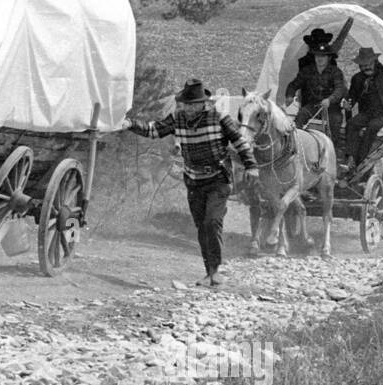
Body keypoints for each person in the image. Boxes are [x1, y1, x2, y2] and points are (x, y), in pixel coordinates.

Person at [129, 78, 258, 287]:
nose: (188, 108)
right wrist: (130, 124)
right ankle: (208, 271)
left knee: (212, 221)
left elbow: (239, 142)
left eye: (192, 104)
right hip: (193, 180)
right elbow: (154, 130)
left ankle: (216, 271)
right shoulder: (177, 118)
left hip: (218, 178)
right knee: (201, 226)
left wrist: (251, 166)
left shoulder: (219, 118)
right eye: (186, 104)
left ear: (203, 104)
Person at [285, 29, 346, 147]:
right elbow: (294, 84)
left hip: (331, 107)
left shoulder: (336, 72)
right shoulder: (307, 71)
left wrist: (330, 99)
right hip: (313, 105)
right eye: (318, 55)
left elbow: (340, 89)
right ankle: (295, 145)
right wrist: (289, 95)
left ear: (328, 58)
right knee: (301, 115)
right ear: (314, 56)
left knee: (336, 120)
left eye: (323, 56)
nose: (320, 58)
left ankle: (332, 148)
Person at [343, 46, 383, 168]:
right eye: (363, 65)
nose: (366, 67)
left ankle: (362, 161)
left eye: (368, 64)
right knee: (352, 124)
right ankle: (350, 158)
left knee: (372, 127)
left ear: (375, 62)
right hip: (367, 113)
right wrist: (348, 104)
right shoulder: (357, 78)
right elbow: (352, 96)